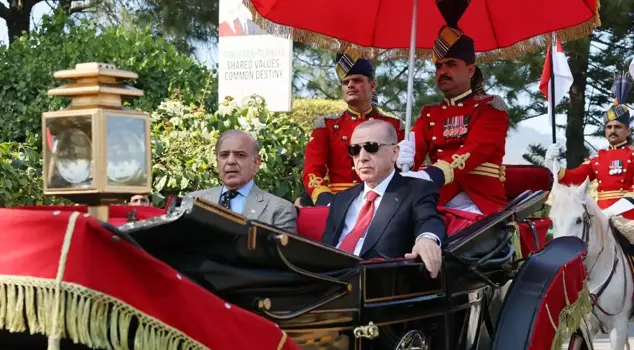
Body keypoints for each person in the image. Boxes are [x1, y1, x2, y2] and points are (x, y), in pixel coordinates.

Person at [396, 25, 509, 216]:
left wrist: (433, 174)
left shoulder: (490, 107)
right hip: (437, 197)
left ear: (471, 70)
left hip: (479, 200)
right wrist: (399, 161)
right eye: (439, 66)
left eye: (451, 64)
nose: (443, 71)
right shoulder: (429, 113)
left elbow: (477, 149)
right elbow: (414, 150)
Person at [320, 120, 446, 278]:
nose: (362, 157)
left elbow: (428, 219)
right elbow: (324, 249)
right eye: (355, 150)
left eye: (371, 147)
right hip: (330, 281)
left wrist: (427, 240)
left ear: (395, 152)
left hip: (377, 285)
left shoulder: (417, 190)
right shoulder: (341, 199)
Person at [302, 48, 405, 207]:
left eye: (357, 80)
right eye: (345, 82)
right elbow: (312, 170)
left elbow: (403, 171)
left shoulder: (395, 126)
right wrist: (324, 199)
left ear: (372, 86)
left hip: (384, 201)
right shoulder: (326, 126)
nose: (350, 85)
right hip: (338, 201)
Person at [546, 73, 634, 222]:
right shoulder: (597, 158)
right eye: (609, 127)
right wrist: (552, 163)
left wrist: (612, 211)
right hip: (600, 216)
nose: (612, 130)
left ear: (628, 131)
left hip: (628, 216)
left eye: (618, 127)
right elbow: (572, 178)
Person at [181, 130, 297, 233]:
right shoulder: (193, 201)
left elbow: (279, 256)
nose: (231, 161)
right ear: (217, 163)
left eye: (240, 155)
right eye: (224, 155)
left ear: (256, 163)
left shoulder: (279, 209)